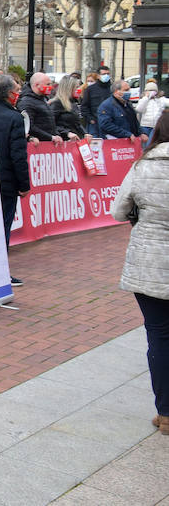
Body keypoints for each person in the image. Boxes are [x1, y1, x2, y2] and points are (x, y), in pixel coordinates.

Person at [111, 111, 169, 435]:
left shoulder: (142, 166)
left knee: (159, 336)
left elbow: (118, 210)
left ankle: (166, 413)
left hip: (150, 263)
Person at [0, 73, 29, 286]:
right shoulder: (14, 118)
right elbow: (18, 156)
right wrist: (24, 185)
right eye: (16, 90)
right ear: (7, 94)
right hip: (4, 182)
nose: (19, 94)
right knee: (2, 227)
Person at [19, 72, 59, 142]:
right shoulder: (27, 102)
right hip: (38, 144)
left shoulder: (43, 98)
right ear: (37, 85)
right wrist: (50, 137)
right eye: (48, 84)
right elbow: (30, 126)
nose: (50, 87)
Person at [52, 75, 87, 140]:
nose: (78, 89)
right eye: (76, 87)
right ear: (69, 88)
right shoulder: (57, 103)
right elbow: (51, 124)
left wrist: (85, 133)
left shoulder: (73, 102)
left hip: (75, 139)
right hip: (62, 140)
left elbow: (77, 123)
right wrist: (66, 133)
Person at [81, 65, 114, 134]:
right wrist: (90, 119)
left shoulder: (113, 89)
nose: (106, 75)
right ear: (98, 76)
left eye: (108, 74)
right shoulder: (90, 89)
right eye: (104, 74)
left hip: (111, 123)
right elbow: (84, 106)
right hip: (95, 123)